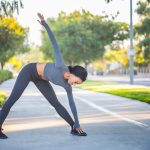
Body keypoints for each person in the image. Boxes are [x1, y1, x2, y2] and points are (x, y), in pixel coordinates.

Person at [0, 13, 88, 139]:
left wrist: (77, 123)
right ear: (74, 74)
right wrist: (45, 24)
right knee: (13, 99)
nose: (74, 84)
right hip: (29, 71)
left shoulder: (68, 87)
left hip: (41, 79)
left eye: (77, 84)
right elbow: (55, 44)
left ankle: (73, 128)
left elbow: (72, 104)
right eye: (76, 81)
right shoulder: (60, 66)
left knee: (56, 104)